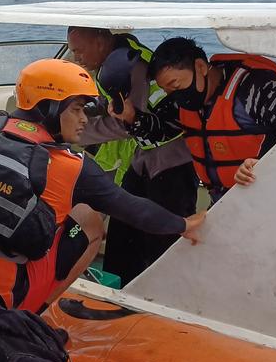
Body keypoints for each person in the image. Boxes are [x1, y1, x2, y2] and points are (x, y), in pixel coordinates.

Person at [0, 58, 205, 314]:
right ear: (49, 107)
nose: (84, 119)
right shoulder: (71, 166)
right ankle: (29, 314)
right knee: (89, 220)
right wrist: (184, 225)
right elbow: (134, 210)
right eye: (76, 109)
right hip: (6, 295)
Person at [67, 27, 198, 285]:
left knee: (163, 240)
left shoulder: (127, 67)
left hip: (172, 160)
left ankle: (162, 298)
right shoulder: (115, 61)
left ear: (102, 41)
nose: (76, 57)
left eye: (79, 50)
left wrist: (74, 132)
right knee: (122, 228)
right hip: (143, 158)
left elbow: (122, 124)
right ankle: (120, 290)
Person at [113, 36, 276, 203]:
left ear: (200, 67)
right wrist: (131, 116)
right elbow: (160, 131)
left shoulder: (257, 87)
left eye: (176, 85)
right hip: (223, 204)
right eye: (167, 91)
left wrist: (264, 162)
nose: (174, 96)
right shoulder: (183, 102)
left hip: (272, 197)